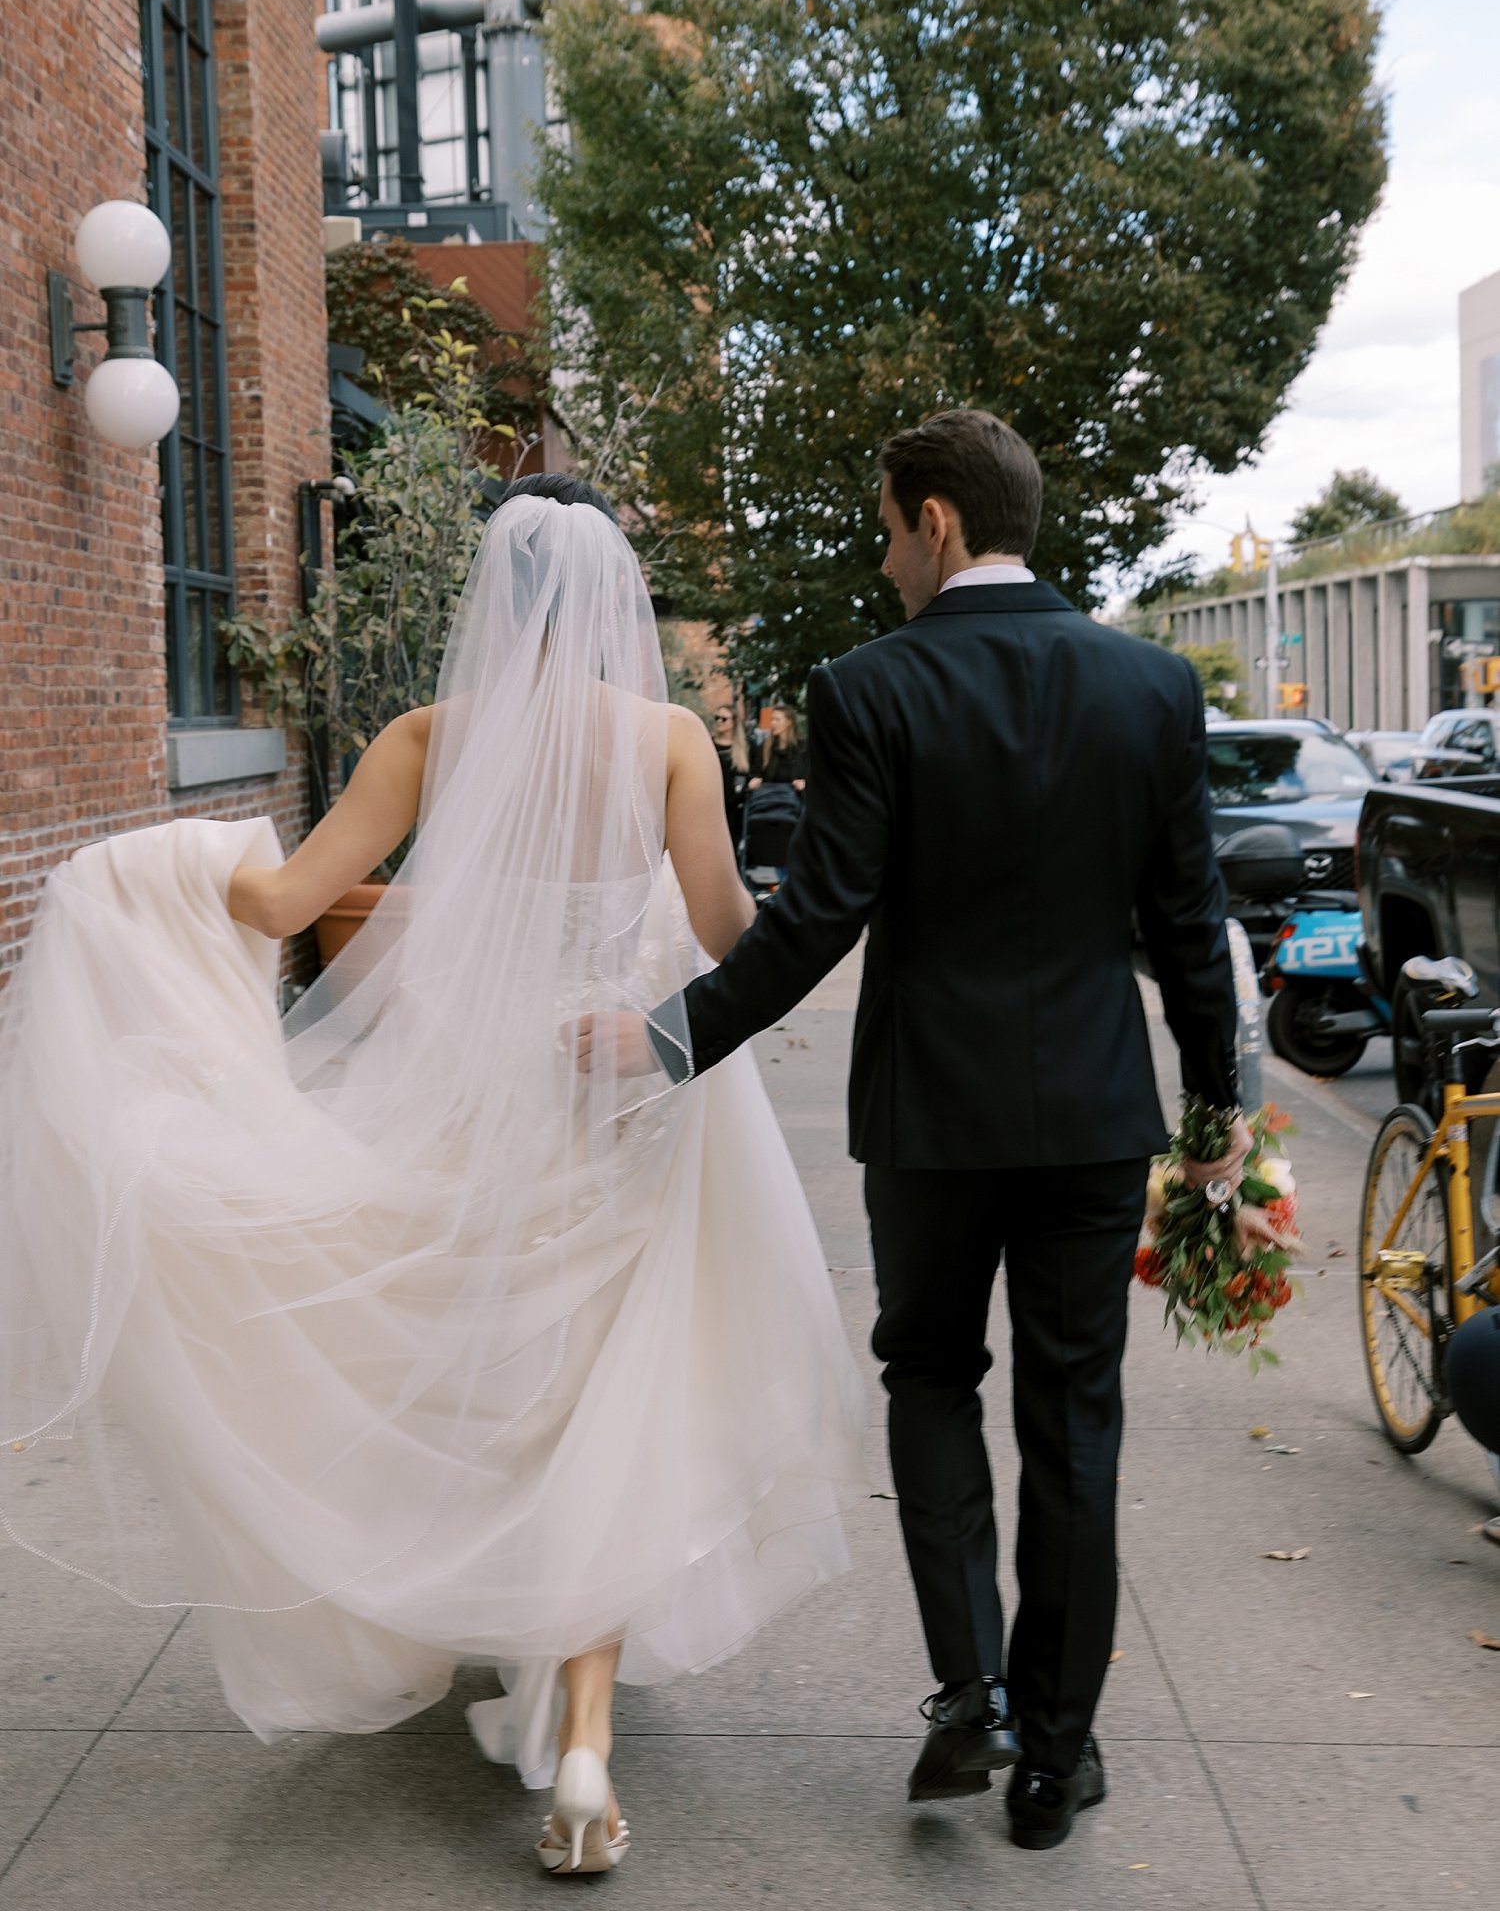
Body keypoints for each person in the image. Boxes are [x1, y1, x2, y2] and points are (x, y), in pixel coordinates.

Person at [0, 475, 865, 1878]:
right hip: (624, 1112)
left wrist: (148, 871)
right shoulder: (666, 743)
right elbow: (726, 936)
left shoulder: (426, 739)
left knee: (503, 1403)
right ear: (609, 608)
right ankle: (583, 1744)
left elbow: (283, 905)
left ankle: (510, 1627)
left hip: (472, 1114)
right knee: (611, 1410)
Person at [579, 409, 1243, 1852]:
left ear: (939, 520)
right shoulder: (1149, 687)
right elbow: (1192, 925)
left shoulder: (869, 689)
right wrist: (1216, 1116)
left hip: (931, 1119)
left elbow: (820, 917)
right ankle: (1057, 1763)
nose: (883, 559)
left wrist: (662, 1038)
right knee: (1076, 1422)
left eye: (887, 527)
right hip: (1088, 1120)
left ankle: (972, 1698)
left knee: (930, 1378)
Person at [711, 703, 752, 843]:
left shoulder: (743, 748)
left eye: (724, 718)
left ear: (734, 722)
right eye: (717, 718)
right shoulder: (708, 743)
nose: (719, 722)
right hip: (711, 803)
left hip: (734, 808)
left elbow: (749, 775)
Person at [749, 704, 808, 795]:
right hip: (769, 798)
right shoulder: (765, 747)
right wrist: (754, 781)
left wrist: (804, 785)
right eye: (772, 719)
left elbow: (811, 774)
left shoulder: (802, 747)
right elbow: (756, 772)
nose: (772, 723)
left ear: (789, 722)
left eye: (777, 719)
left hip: (795, 800)